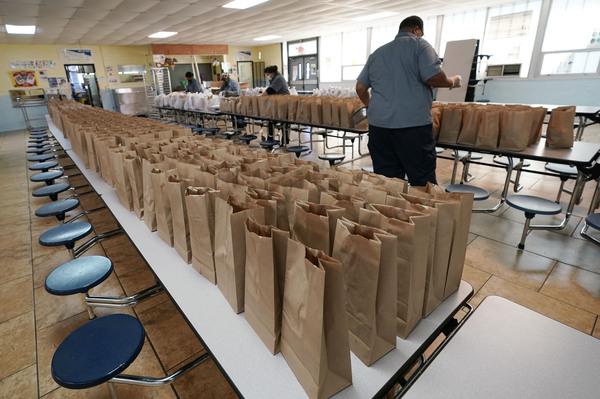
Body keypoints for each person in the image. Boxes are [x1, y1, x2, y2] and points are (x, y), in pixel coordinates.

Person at [356, 15, 462, 186]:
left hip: (379, 129)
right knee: (422, 181)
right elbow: (433, 77)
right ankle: (420, 211)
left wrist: (372, 107)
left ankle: (391, 211)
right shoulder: (420, 45)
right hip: (413, 128)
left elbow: (360, 88)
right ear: (417, 30)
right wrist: (452, 82)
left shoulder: (377, 53)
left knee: (388, 181)